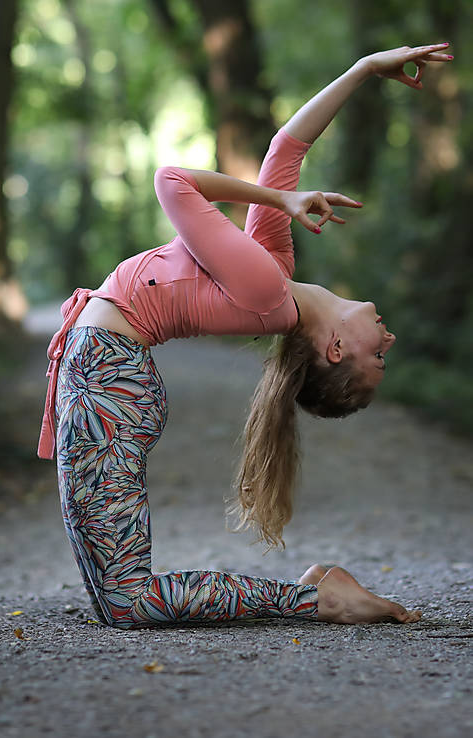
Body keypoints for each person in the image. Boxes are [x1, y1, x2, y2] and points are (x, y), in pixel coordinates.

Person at [38, 43, 452, 627]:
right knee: (119, 599)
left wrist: (277, 199)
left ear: (334, 350)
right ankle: (319, 594)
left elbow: (172, 181)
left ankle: (319, 600)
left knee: (126, 602)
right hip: (105, 376)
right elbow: (286, 147)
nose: (390, 343)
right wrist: (362, 70)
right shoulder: (271, 278)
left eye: (376, 360)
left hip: (108, 380)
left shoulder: (264, 292)